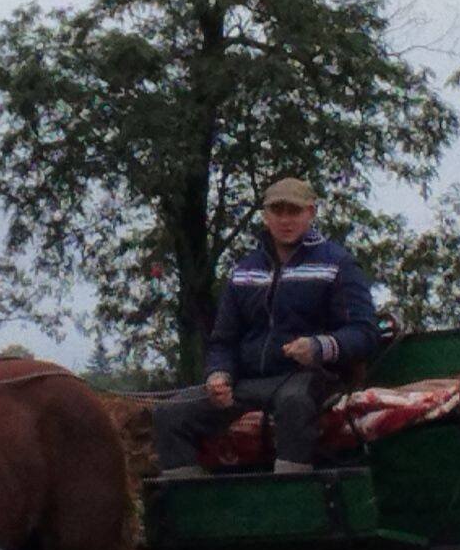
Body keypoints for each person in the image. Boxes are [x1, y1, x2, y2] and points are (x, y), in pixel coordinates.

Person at [154, 177, 380, 477]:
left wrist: (318, 347)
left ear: (311, 213)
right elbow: (223, 340)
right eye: (278, 211)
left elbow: (364, 332)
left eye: (294, 211)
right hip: (250, 382)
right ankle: (191, 508)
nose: (285, 220)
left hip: (311, 378)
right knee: (170, 414)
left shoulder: (338, 264)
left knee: (294, 403)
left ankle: (291, 496)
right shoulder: (245, 271)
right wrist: (219, 374)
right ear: (265, 215)